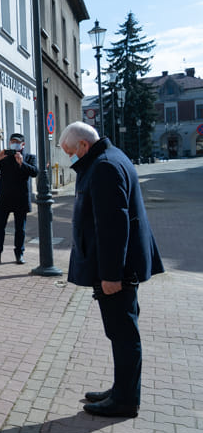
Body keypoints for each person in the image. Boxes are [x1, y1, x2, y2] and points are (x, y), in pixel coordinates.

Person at [59, 121, 163, 418]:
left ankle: (125, 400)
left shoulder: (104, 166)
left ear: (84, 146)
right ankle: (121, 389)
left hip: (118, 271)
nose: (70, 159)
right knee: (120, 332)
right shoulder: (113, 157)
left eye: (71, 153)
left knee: (123, 334)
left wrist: (111, 275)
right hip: (122, 266)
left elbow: (112, 227)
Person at [0, 133, 38, 264]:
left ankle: (19, 254)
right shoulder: (4, 157)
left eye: (17, 142)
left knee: (20, 229)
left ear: (23, 144)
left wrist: (22, 163)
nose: (14, 144)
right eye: (12, 141)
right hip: (4, 198)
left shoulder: (29, 157)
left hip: (21, 198)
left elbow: (35, 172)